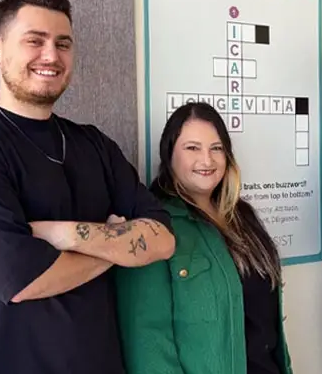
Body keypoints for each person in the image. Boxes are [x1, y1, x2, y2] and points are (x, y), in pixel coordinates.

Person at [0, 0, 176, 374]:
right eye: (35, 41)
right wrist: (113, 248)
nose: (51, 55)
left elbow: (162, 239)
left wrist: (66, 235)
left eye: (62, 43)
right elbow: (23, 280)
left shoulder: (94, 144)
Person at [116, 101, 293, 374]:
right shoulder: (153, 228)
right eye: (192, 148)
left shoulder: (242, 216)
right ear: (169, 154)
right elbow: (148, 345)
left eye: (216, 148)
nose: (207, 160)